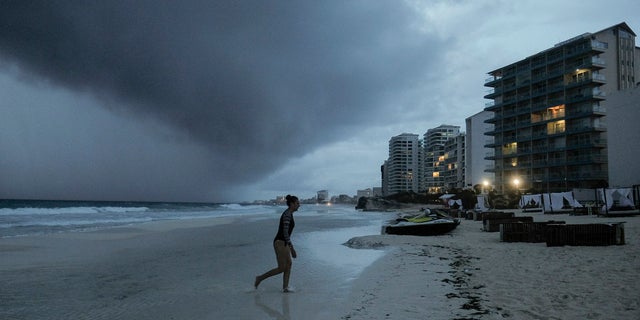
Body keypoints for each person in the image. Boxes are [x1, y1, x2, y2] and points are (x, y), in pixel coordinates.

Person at [254, 195, 299, 292]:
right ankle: (259, 278)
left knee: (289, 264)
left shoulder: (289, 214)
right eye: (297, 203)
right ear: (292, 204)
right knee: (281, 267)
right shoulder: (287, 214)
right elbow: (285, 232)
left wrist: (289, 246)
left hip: (284, 242)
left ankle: (285, 288)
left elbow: (286, 234)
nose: (299, 205)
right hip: (279, 242)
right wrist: (292, 249)